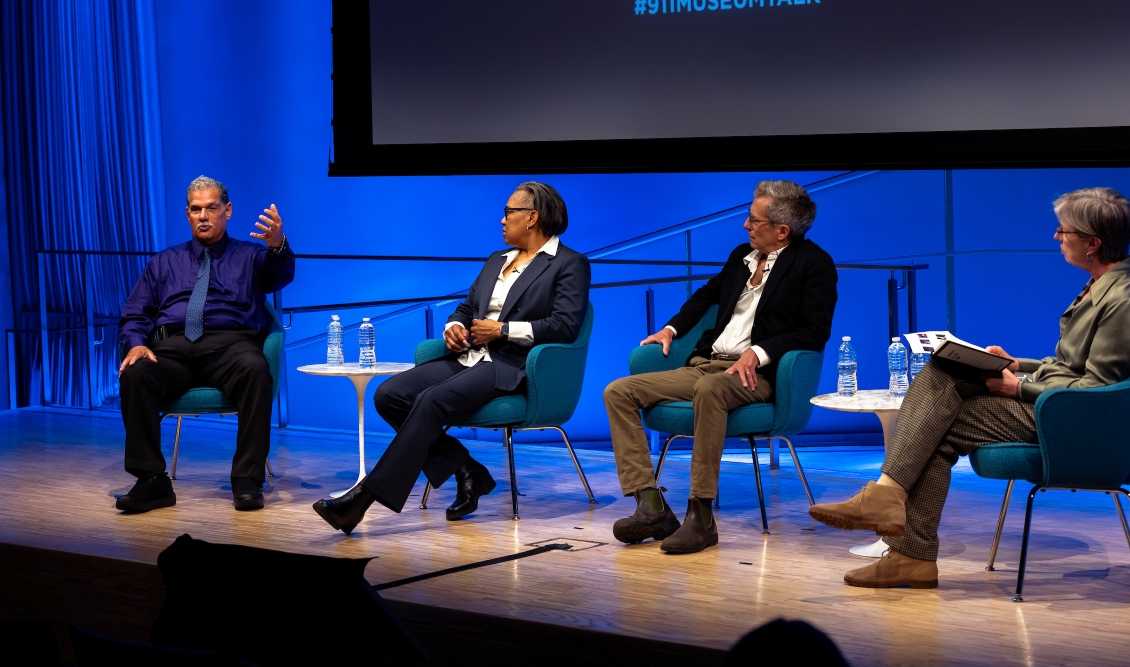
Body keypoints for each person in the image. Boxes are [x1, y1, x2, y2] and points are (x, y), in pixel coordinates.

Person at [809, 187, 1130, 589]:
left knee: (937, 426)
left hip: (1073, 424)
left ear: (1092, 244)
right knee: (943, 369)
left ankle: (904, 540)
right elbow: (1072, 367)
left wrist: (1019, 389)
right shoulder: (1104, 285)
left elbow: (1095, 390)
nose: (1056, 236)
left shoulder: (1124, 300)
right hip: (1058, 406)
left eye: (1063, 230)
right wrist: (1017, 366)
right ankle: (898, 529)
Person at [313, 181, 590, 534]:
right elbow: (466, 307)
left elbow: (565, 326)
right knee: (389, 395)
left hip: (510, 365)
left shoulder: (568, 263)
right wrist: (454, 327)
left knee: (431, 400)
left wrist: (503, 330)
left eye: (509, 212)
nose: (502, 220)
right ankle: (467, 470)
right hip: (469, 356)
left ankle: (361, 501)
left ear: (532, 217)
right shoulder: (498, 259)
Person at [603, 180, 838, 554]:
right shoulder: (741, 256)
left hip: (756, 376)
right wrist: (670, 329)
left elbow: (814, 332)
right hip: (706, 365)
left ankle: (701, 517)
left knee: (709, 389)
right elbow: (705, 297)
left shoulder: (814, 265)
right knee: (618, 391)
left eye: (754, 220)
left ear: (782, 230)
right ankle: (651, 507)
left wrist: (758, 353)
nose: (746, 225)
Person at [116, 176, 295, 513]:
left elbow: (279, 275)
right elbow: (136, 313)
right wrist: (136, 344)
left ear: (227, 211)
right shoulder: (164, 261)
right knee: (136, 373)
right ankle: (152, 481)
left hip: (230, 347)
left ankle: (247, 480)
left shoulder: (250, 256)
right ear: (187, 214)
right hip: (174, 348)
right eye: (196, 209)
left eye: (211, 208)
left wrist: (277, 246)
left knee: (256, 369)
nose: (203, 216)